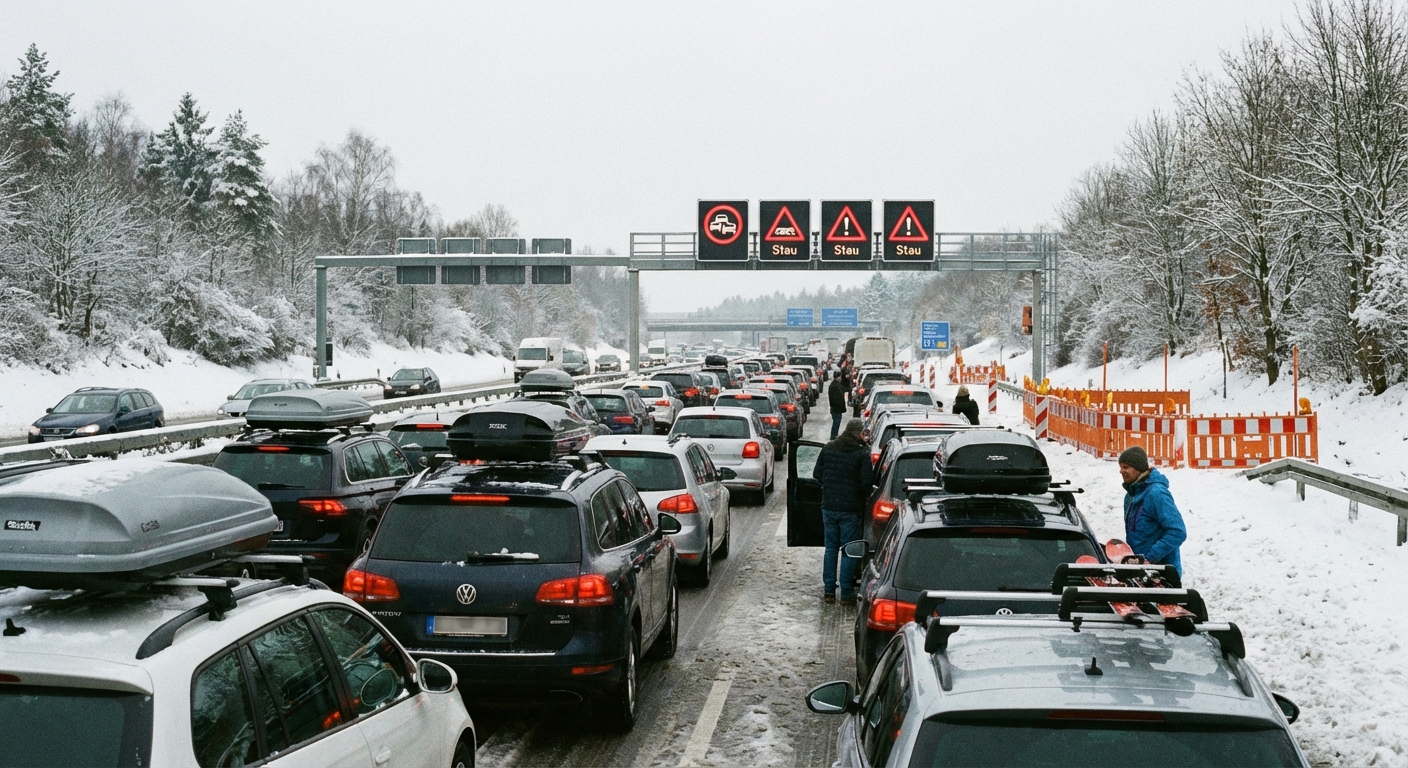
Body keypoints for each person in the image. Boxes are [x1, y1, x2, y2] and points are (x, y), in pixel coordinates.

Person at [813, 418, 874, 604]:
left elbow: (817, 474)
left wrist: (831, 486)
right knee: (849, 550)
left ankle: (829, 591)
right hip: (850, 509)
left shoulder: (829, 448)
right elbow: (866, 483)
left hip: (829, 507)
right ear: (858, 433)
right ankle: (846, 593)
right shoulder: (862, 453)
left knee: (830, 548)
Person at [1118, 446, 1187, 575]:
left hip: (1161, 573)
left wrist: (1150, 558)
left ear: (1138, 468)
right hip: (1140, 570)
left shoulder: (1156, 493)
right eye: (1121, 467)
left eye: (1126, 467)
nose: (1121, 471)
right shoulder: (1131, 496)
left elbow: (1178, 531)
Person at [828, 374, 848, 439]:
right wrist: (835, 405)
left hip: (837, 408)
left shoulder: (837, 385)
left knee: (837, 423)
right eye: (839, 377)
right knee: (836, 423)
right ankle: (833, 436)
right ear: (836, 378)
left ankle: (834, 435)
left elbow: (845, 388)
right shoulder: (834, 386)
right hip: (836, 408)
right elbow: (833, 398)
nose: (840, 379)